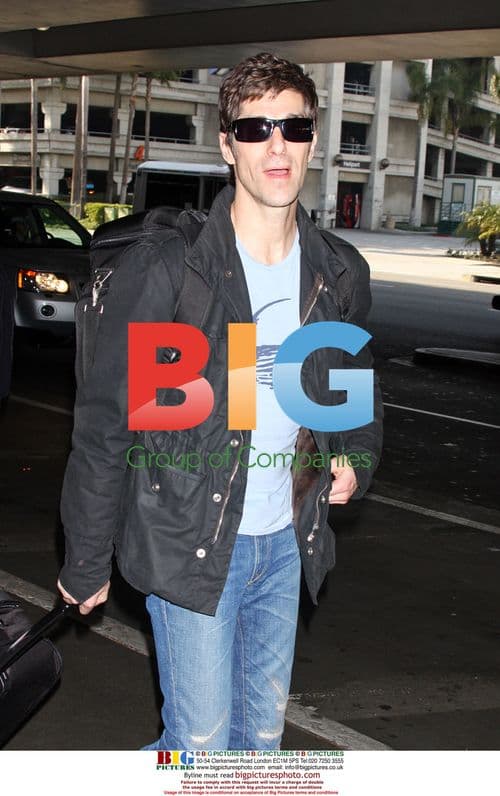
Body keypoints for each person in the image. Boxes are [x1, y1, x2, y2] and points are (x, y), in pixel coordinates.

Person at [57, 52, 383, 750]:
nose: (277, 146)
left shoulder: (335, 271)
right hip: (194, 540)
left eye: (293, 128)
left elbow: (348, 387)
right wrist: (86, 556)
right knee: (199, 745)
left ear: (314, 142)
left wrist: (354, 455)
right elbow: (112, 422)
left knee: (258, 744)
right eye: (256, 127)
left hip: (287, 543)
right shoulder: (177, 269)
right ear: (227, 143)